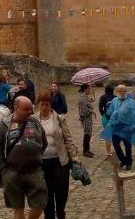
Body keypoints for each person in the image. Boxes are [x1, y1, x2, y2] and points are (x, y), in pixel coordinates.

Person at [0, 96, 48, 219]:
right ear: (16, 108)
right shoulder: (3, 125)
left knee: (40, 203)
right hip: (13, 172)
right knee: (18, 207)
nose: (30, 112)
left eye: (31, 109)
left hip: (34, 171)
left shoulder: (34, 122)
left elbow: (44, 142)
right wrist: (5, 171)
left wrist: (35, 156)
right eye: (26, 109)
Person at [36, 91, 79, 219]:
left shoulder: (59, 119)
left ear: (50, 105)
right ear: (38, 105)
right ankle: (49, 215)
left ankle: (61, 212)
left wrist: (74, 157)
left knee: (61, 191)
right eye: (42, 104)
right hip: (41, 162)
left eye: (47, 104)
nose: (44, 107)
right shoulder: (32, 120)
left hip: (60, 161)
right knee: (46, 191)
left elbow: (68, 139)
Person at [100, 84, 135, 171]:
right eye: (120, 91)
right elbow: (109, 112)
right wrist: (108, 109)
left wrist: (133, 123)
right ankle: (123, 160)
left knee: (127, 146)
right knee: (116, 144)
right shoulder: (114, 100)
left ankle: (129, 163)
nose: (122, 92)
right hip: (116, 127)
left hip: (127, 127)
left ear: (126, 92)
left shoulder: (131, 102)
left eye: (123, 91)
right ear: (117, 92)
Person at [77, 84, 95, 158]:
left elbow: (86, 105)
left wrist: (90, 101)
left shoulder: (85, 97)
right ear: (85, 89)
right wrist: (91, 110)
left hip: (88, 118)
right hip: (86, 118)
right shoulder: (82, 98)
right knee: (87, 134)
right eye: (89, 89)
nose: (90, 90)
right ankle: (85, 151)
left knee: (88, 134)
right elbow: (83, 111)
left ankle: (87, 149)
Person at [98, 85, 115, 155]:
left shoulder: (103, 97)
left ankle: (108, 151)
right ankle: (113, 149)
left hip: (105, 118)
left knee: (108, 135)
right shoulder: (115, 97)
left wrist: (103, 114)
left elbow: (100, 107)